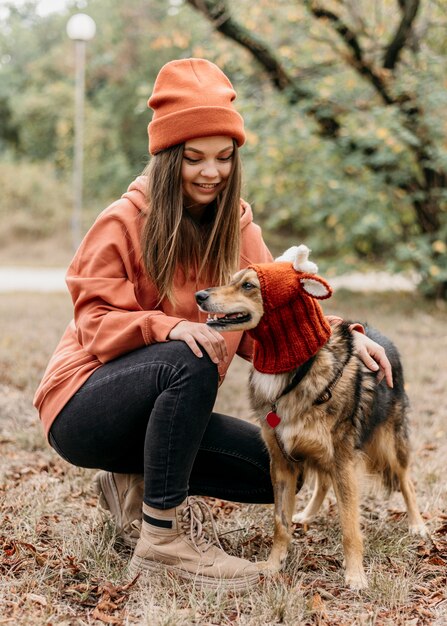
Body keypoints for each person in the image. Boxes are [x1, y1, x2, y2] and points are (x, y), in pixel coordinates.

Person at [33, 58, 392, 590]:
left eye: (224, 157)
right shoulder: (123, 221)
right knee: (191, 351)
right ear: (167, 156)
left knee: (279, 470)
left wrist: (343, 337)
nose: (211, 172)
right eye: (194, 158)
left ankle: (131, 481)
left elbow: (275, 305)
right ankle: (161, 541)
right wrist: (167, 327)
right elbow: (94, 322)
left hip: (165, 414)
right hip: (85, 407)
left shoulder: (237, 227)